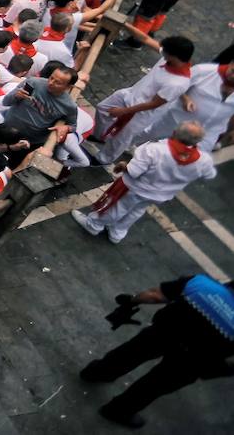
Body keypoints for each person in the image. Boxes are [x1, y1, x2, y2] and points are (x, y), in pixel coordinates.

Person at [79, 273, 234, 427]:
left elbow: (155, 295)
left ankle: (95, 373)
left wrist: (131, 301)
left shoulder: (201, 284)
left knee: (131, 353)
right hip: (194, 359)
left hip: (164, 331)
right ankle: (117, 410)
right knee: (154, 385)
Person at [72, 122, 217, 243]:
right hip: (161, 194)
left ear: (175, 133)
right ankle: (117, 232)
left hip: (136, 188)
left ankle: (94, 225)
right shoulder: (203, 160)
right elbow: (209, 175)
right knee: (137, 211)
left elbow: (134, 171)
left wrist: (124, 165)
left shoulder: (154, 150)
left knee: (117, 207)